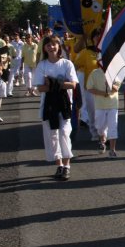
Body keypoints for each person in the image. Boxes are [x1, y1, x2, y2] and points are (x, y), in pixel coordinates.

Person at [34, 35, 78, 180]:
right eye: (48, 45)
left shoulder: (66, 64)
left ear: (58, 46)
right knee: (52, 135)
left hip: (64, 103)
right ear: (44, 48)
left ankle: (67, 166)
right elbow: (40, 88)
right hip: (48, 104)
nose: (51, 47)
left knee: (64, 133)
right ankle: (59, 165)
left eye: (53, 44)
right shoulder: (42, 65)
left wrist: (52, 83)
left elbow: (72, 84)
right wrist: (59, 83)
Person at [74, 29, 102, 144]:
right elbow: (75, 64)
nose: (98, 38)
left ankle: (104, 133)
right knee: (92, 112)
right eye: (96, 36)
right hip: (90, 87)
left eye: (100, 36)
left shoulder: (108, 51)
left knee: (104, 111)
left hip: (104, 87)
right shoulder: (86, 52)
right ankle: (95, 133)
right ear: (93, 38)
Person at [87, 63, 121, 157]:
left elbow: (116, 88)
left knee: (113, 127)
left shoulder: (115, 73)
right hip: (99, 105)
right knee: (100, 127)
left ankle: (112, 150)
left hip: (112, 104)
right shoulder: (94, 73)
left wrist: (110, 84)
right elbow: (90, 88)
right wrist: (102, 93)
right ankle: (102, 140)